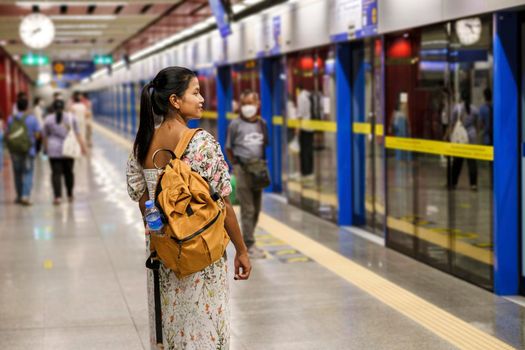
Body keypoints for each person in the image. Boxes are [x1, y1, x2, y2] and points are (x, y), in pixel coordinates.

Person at [126, 66, 251, 349]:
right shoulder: (201, 143)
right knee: (205, 334)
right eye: (195, 92)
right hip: (202, 254)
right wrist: (241, 250)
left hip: (163, 255)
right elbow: (224, 203)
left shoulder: (142, 143)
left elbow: (143, 201)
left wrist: (162, 233)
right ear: (175, 101)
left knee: (169, 332)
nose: (202, 98)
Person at [226, 89, 268, 259]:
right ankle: (249, 244)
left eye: (250, 103)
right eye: (244, 104)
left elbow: (264, 146)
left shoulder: (262, 124)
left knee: (257, 208)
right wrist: (235, 166)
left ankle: (250, 239)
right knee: (248, 209)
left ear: (257, 104)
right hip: (242, 170)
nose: (247, 107)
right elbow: (229, 147)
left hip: (258, 170)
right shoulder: (235, 125)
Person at [42, 99, 87, 205]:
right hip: (69, 150)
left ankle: (57, 197)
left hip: (53, 151)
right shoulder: (72, 118)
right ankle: (70, 194)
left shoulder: (48, 119)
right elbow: (77, 134)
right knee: (69, 173)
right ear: (64, 107)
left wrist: (45, 149)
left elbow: (45, 136)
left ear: (53, 108)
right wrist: (83, 147)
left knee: (55, 174)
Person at [6, 95, 41, 205]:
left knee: (17, 173)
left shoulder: (11, 119)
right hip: (28, 150)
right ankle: (25, 196)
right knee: (28, 172)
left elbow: (8, 133)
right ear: (27, 107)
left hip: (15, 150)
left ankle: (18, 196)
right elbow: (38, 134)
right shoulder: (32, 119)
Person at [447, 90, 479, 190]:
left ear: (461, 97)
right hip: (471, 137)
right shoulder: (475, 109)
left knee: (457, 162)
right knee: (472, 162)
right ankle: (473, 184)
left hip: (460, 139)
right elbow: (477, 123)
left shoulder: (457, 108)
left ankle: (454, 183)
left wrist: (448, 136)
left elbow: (452, 123)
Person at [296, 84, 315, 179]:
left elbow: (300, 113)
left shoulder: (301, 97)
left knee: (303, 150)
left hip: (304, 126)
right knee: (309, 149)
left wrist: (297, 128)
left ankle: (305, 172)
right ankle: (310, 171)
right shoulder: (310, 96)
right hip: (311, 126)